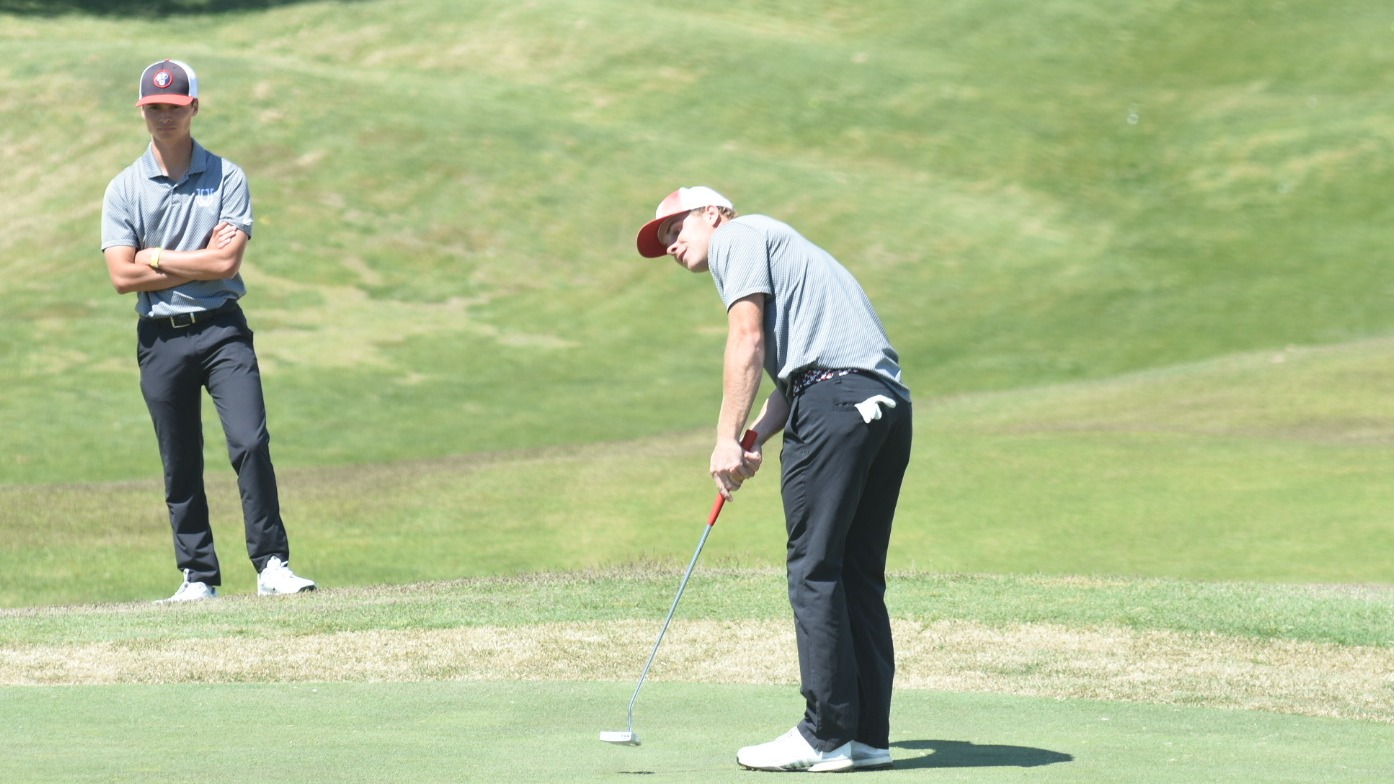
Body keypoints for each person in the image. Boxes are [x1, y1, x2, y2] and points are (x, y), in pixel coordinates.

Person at [635, 187, 913, 772]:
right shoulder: (780, 246)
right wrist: (754, 435)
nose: (671, 244)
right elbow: (797, 377)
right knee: (855, 573)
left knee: (813, 567)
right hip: (882, 403)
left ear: (713, 212)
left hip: (835, 403)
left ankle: (823, 734)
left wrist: (722, 437)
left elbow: (749, 341)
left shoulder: (737, 237)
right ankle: (865, 736)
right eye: (662, 239)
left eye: (675, 227)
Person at [101, 59, 315, 603]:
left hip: (222, 331)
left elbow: (227, 267)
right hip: (161, 338)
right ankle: (198, 576)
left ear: (193, 107)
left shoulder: (227, 176)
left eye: (173, 108)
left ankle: (272, 566)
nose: (163, 116)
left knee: (249, 442)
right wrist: (194, 258)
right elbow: (122, 276)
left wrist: (156, 256)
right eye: (153, 107)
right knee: (180, 457)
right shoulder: (124, 189)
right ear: (143, 110)